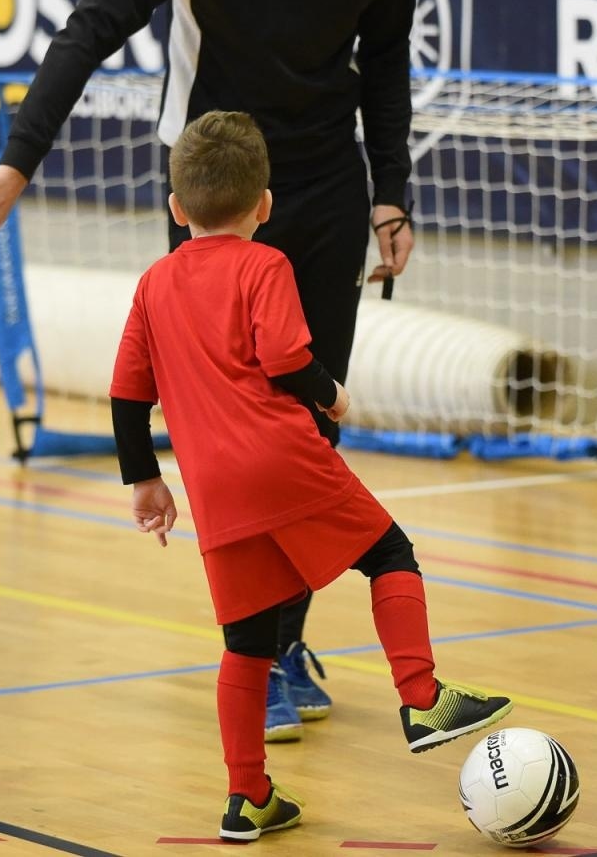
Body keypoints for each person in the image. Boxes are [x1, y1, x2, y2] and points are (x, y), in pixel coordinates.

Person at [0, 0, 416, 737]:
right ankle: (262, 645)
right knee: (231, 439)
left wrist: (390, 193)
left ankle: (284, 642)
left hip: (322, 190)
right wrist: (16, 162)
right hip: (215, 191)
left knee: (310, 424)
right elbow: (89, 28)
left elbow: (388, 66)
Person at [109, 111, 510, 841]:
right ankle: (420, 697)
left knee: (246, 640)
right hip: (285, 459)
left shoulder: (153, 283)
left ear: (176, 209)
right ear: (264, 205)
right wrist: (332, 394)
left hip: (214, 489)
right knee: (390, 553)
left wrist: (146, 479)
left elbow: (127, 394)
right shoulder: (265, 265)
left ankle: (247, 797)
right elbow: (286, 357)